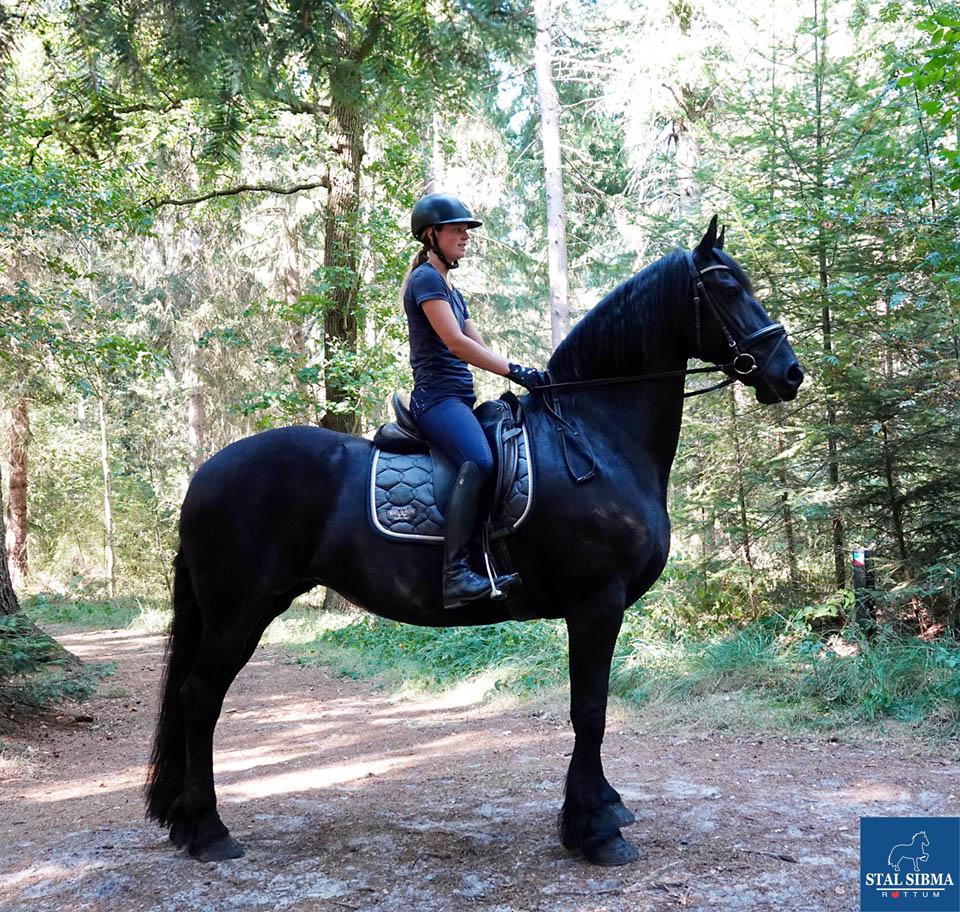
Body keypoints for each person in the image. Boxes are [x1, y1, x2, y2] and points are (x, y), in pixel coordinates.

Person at [401, 192, 548, 609]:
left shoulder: (451, 288)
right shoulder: (425, 280)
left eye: (467, 229)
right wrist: (518, 372)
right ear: (431, 235)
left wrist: (523, 373)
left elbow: (477, 346)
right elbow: (456, 344)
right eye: (457, 229)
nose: (466, 235)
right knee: (478, 461)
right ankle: (454, 576)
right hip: (436, 400)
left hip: (460, 399)